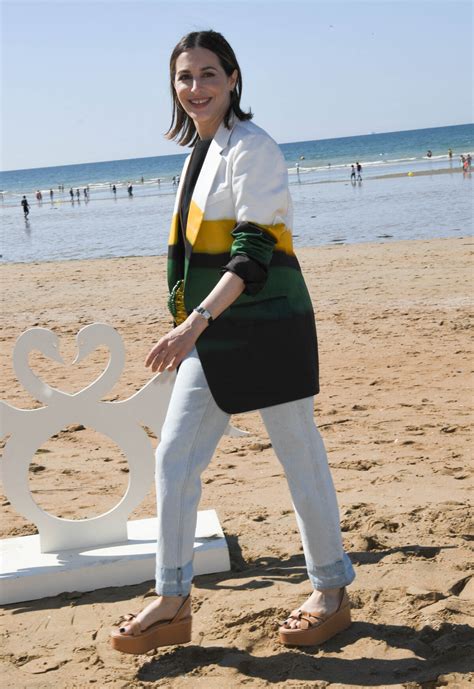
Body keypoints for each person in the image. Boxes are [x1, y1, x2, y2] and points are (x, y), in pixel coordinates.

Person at [110, 29, 355, 655]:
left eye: (209, 75)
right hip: (215, 336)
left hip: (266, 327)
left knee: (299, 457)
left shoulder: (253, 149)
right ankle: (172, 600)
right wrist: (193, 325)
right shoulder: (199, 151)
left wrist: (192, 323)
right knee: (174, 460)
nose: (196, 88)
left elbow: (253, 254)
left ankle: (330, 591)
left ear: (233, 79)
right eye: (185, 77)